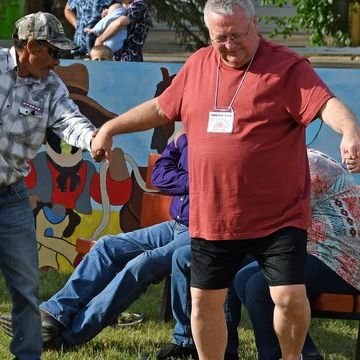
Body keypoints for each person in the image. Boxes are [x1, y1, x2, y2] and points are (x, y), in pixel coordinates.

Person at [90, 0, 360, 359]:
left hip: (277, 216)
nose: (231, 44)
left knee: (288, 296)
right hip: (214, 215)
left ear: (255, 24)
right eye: (221, 37)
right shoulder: (198, 64)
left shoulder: (286, 67)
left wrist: (350, 131)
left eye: (238, 35)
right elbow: (160, 108)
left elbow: (326, 104)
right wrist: (111, 127)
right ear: (208, 33)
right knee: (203, 301)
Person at [0, 131, 190, 349]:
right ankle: (52, 314)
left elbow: (210, 179)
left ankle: (65, 337)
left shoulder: (218, 140)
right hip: (177, 224)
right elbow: (159, 175)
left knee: (141, 264)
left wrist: (188, 170)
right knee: (107, 246)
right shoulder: (188, 134)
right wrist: (191, 173)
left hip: (206, 231)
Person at [0, 11, 97, 360]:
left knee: (26, 286)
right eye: (53, 52)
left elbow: (70, 118)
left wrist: (93, 139)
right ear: (30, 46)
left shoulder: (51, 85)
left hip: (10, 195)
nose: (58, 62)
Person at [235, 148, 360, 360]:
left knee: (259, 287)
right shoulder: (287, 160)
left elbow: (276, 221)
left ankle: (283, 356)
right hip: (312, 249)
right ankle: (306, 354)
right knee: (242, 279)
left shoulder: (307, 166)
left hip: (343, 259)